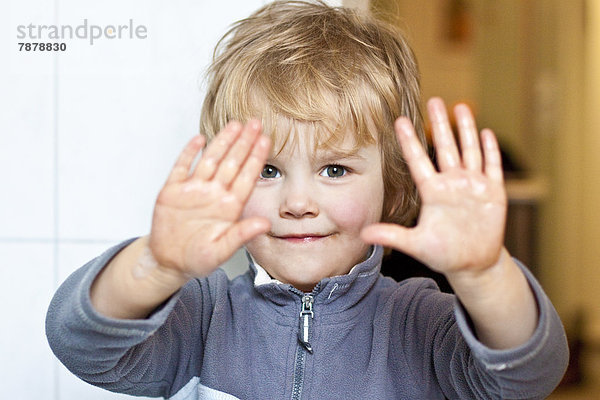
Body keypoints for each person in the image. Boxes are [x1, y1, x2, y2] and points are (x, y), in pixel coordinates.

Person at [46, 1, 568, 399]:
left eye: (335, 169)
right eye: (268, 170)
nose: (297, 202)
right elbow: (81, 345)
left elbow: (530, 376)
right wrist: (156, 266)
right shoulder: (201, 317)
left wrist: (485, 274)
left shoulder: (420, 325)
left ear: (392, 183)